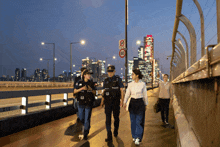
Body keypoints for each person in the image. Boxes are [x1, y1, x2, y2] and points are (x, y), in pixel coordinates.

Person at [123, 68, 148, 146]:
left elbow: (145, 95)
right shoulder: (130, 84)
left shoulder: (143, 84)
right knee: (133, 120)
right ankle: (134, 135)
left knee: (139, 121)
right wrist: (124, 102)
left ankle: (138, 137)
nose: (132, 75)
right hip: (132, 102)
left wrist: (146, 104)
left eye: (133, 74)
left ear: (137, 75)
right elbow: (127, 94)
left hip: (140, 102)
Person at [100, 65, 124, 142]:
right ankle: (109, 134)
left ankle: (116, 130)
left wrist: (122, 101)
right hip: (107, 103)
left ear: (114, 71)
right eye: (109, 72)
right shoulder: (105, 81)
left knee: (116, 118)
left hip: (116, 102)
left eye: (111, 72)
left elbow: (122, 90)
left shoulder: (118, 80)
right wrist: (102, 101)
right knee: (107, 118)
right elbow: (103, 92)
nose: (110, 73)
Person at [73, 69, 96, 140]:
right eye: (88, 74)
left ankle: (85, 133)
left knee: (87, 119)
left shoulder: (91, 83)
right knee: (81, 118)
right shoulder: (79, 82)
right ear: (84, 75)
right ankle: (83, 129)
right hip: (81, 103)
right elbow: (74, 91)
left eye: (90, 74)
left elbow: (95, 93)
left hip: (89, 103)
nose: (89, 76)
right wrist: (82, 88)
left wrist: (90, 89)